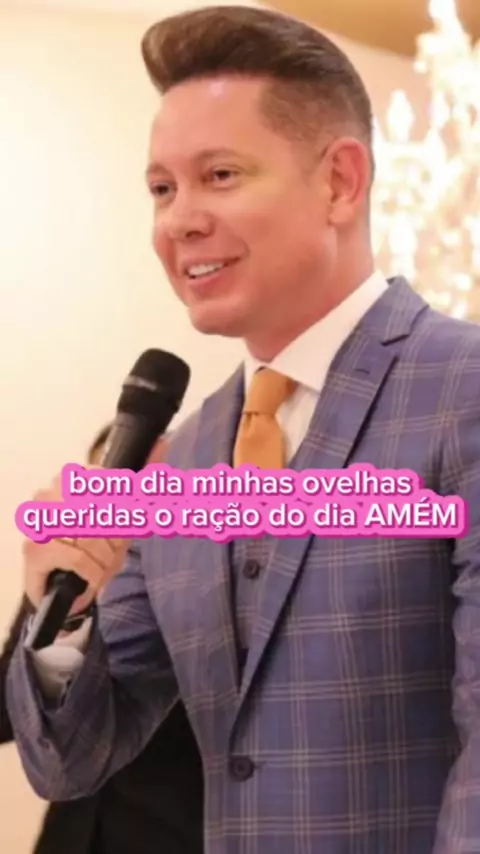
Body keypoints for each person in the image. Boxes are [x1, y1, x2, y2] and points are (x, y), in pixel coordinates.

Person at [5, 5, 480, 853]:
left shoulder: (464, 387)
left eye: (219, 175)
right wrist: (63, 615)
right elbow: (73, 761)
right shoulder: (184, 454)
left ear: (340, 182)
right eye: (161, 188)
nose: (178, 220)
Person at [0, 425, 203, 854]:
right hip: (72, 836)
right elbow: (5, 713)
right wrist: (56, 610)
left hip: (169, 832)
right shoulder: (57, 586)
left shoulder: (200, 583)